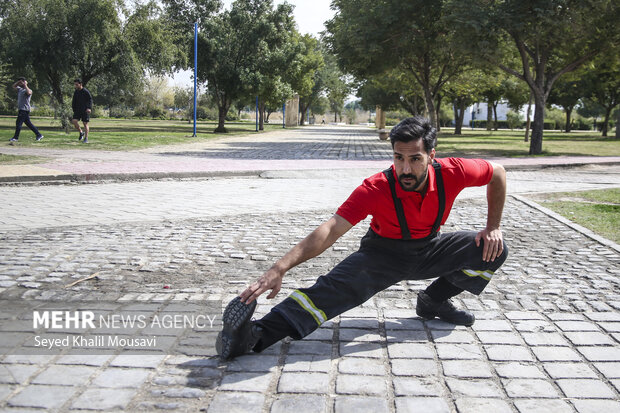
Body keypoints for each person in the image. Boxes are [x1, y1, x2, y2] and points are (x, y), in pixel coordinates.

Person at [216, 116, 508, 360]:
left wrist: (492, 226)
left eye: (415, 159)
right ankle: (254, 335)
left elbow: (497, 172)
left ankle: (433, 301)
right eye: (398, 158)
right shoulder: (376, 188)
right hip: (381, 255)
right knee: (328, 291)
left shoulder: (454, 172)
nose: (405, 169)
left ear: (432, 156)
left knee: (493, 249)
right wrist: (280, 268)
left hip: (430, 248)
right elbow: (330, 229)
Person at [9, 77, 44, 144]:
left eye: (21, 81)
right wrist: (18, 82)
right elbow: (13, 86)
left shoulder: (28, 90)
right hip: (21, 109)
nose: (20, 83)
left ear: (25, 82)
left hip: (24, 110)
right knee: (29, 124)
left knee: (18, 123)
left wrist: (25, 84)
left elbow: (29, 93)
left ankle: (15, 138)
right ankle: (39, 135)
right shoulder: (20, 89)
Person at [71, 78, 93, 143]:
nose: (75, 86)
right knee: (74, 121)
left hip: (85, 110)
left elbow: (90, 100)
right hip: (77, 110)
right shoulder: (76, 92)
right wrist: (74, 108)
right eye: (75, 85)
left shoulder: (85, 91)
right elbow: (74, 101)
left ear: (80, 84)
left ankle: (86, 138)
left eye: (77, 84)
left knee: (85, 123)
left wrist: (89, 108)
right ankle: (81, 132)